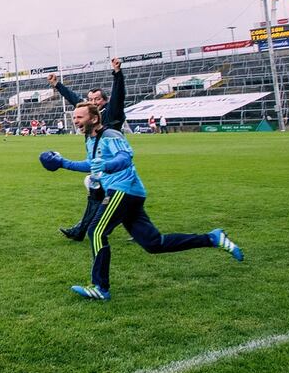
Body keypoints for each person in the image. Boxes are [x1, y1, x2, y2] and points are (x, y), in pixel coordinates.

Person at [38, 102, 243, 301]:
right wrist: (63, 163)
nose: (75, 121)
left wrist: (108, 165)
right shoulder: (90, 140)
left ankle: (100, 287)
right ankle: (212, 238)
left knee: (96, 231)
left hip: (122, 190)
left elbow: (125, 157)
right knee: (154, 244)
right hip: (130, 193)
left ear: (94, 118)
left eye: (79, 117)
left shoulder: (111, 135)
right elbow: (92, 165)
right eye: (74, 118)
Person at [48, 58, 126, 241]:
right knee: (96, 195)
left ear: (104, 101)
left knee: (107, 197)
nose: (93, 102)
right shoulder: (89, 115)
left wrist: (117, 73)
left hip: (112, 165)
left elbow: (119, 95)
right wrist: (57, 85)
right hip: (100, 166)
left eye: (97, 99)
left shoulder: (112, 113)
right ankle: (81, 231)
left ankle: (83, 230)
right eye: (90, 100)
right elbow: (74, 99)